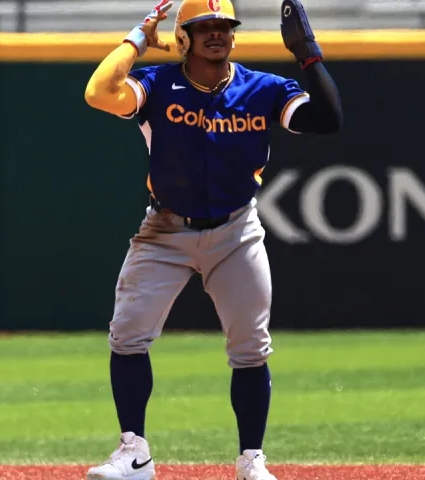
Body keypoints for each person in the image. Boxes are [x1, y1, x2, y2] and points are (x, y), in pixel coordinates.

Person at [82, 0, 342, 479]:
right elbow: (99, 92)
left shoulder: (262, 88)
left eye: (224, 26)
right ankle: (134, 452)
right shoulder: (159, 84)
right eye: (204, 28)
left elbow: (328, 119)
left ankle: (251, 460)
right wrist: (139, 36)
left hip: (235, 230)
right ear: (184, 38)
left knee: (249, 346)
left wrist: (307, 53)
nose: (217, 35)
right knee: (128, 335)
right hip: (164, 230)